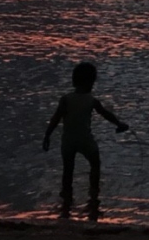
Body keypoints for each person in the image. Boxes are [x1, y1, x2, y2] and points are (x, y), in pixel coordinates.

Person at [42, 62, 128, 214]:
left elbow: (55, 119)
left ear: (74, 81)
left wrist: (47, 136)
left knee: (68, 170)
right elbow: (106, 114)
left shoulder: (66, 99)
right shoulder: (91, 100)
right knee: (95, 164)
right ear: (91, 82)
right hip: (85, 140)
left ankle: (66, 199)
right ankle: (93, 195)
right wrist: (119, 124)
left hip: (68, 141)